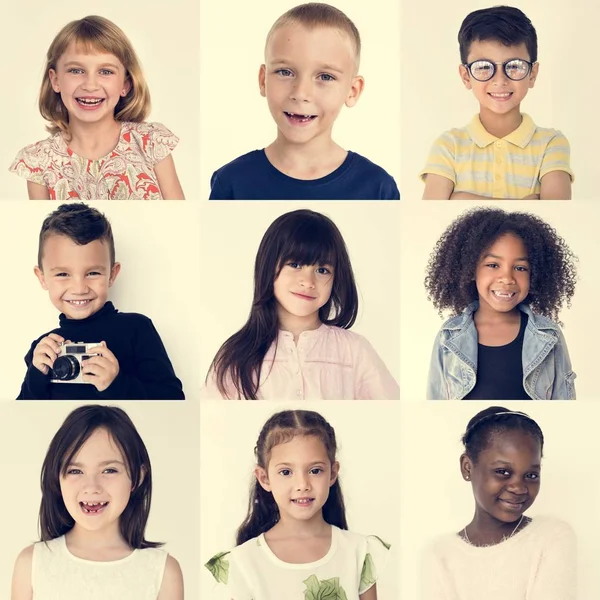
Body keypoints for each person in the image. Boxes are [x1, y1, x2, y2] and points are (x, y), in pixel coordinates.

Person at [209, 3, 399, 200]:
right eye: (285, 72)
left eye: (325, 77)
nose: (301, 93)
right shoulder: (231, 181)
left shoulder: (378, 188)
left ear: (352, 91)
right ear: (263, 80)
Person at [203, 209, 399, 399]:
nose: (308, 281)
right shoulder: (235, 355)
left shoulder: (355, 350)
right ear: (269, 267)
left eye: (322, 270)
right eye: (295, 265)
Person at [205, 409, 390, 599]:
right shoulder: (243, 562)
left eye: (315, 470)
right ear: (264, 478)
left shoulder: (359, 552)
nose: (302, 485)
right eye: (286, 472)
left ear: (333, 473)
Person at [10, 404, 183, 600]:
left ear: (137, 477)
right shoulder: (31, 564)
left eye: (109, 470)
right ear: (57, 478)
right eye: (75, 471)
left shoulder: (163, 572)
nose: (91, 486)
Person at [18, 203, 184, 399]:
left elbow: (174, 398)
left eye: (93, 273)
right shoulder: (43, 348)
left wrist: (116, 384)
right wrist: (36, 376)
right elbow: (27, 416)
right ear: (42, 277)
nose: (79, 288)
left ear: (112, 275)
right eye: (63, 274)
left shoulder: (137, 329)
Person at [9, 15, 184, 200]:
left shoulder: (151, 143)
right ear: (55, 80)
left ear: (125, 84)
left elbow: (179, 216)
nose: (90, 85)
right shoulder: (38, 160)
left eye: (105, 72)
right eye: (76, 71)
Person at [421, 406, 576, 600]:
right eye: (503, 471)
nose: (518, 487)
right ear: (467, 467)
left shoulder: (551, 537)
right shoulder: (439, 555)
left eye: (531, 475)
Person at [421, 6, 572, 200]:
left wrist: (461, 198)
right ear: (466, 76)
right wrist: (528, 202)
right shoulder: (448, 146)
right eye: (484, 66)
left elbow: (555, 211)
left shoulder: (551, 143)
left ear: (532, 74)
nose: (500, 80)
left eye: (514, 66)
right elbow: (435, 211)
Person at [425, 207, 577, 400]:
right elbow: (435, 401)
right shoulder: (448, 336)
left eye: (520, 268)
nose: (507, 278)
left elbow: (564, 401)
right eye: (493, 265)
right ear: (471, 269)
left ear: (535, 274)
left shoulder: (549, 336)